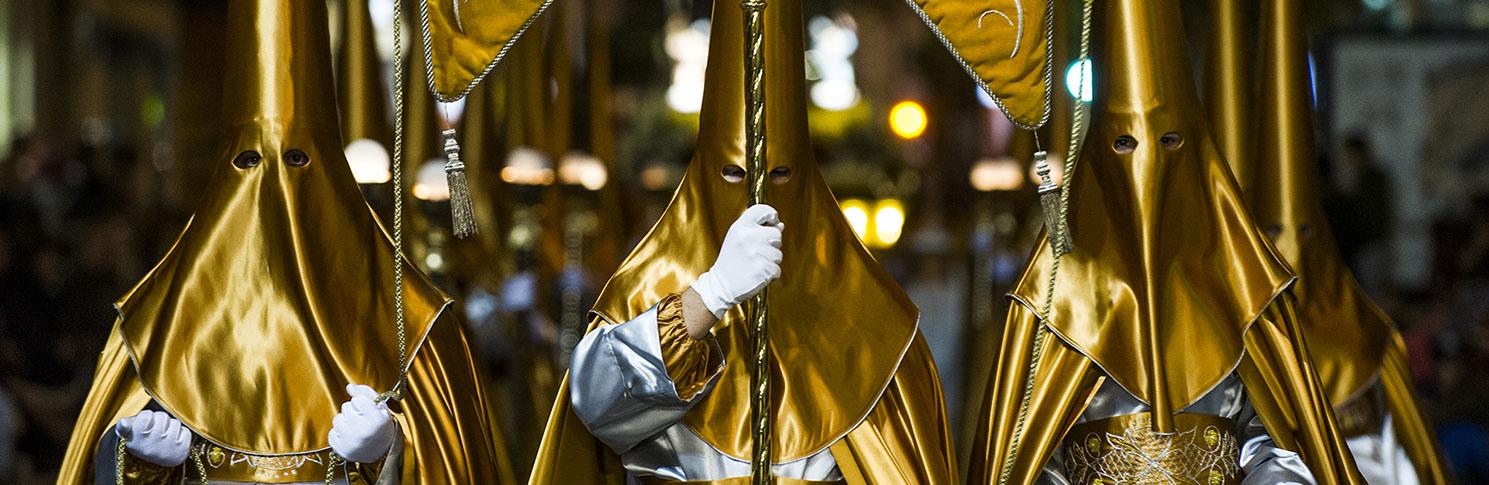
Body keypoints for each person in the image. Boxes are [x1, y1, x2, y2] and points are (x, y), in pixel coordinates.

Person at [54, 0, 506, 482]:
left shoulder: (414, 327)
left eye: (297, 160)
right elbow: (98, 458)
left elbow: (454, 461)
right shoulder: (151, 330)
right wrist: (136, 462)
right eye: (248, 163)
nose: (274, 195)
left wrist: (393, 450)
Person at [526, 0, 956, 482]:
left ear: (808, 180)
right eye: (734, 173)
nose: (757, 197)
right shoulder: (648, 283)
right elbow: (597, 404)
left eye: (781, 175)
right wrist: (709, 295)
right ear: (704, 173)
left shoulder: (877, 318)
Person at [964, 0, 1365, 482]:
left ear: (1199, 161)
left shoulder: (1241, 292)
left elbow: (1278, 445)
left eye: (1169, 142)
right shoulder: (1053, 300)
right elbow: (1027, 459)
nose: (1146, 168)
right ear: (1096, 159)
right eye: (1123, 144)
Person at [1223, 0, 1450, 481]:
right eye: (1273, 237)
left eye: (1302, 234)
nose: (1289, 253)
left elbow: (1409, 459)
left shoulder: (1367, 339)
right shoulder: (1228, 344)